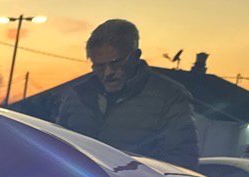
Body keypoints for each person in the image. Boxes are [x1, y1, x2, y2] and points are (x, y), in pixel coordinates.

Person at [56, 19, 199, 168]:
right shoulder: (77, 96)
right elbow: (56, 151)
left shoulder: (170, 96)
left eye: (116, 63)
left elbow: (182, 164)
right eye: (99, 66)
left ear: (135, 56)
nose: (108, 73)